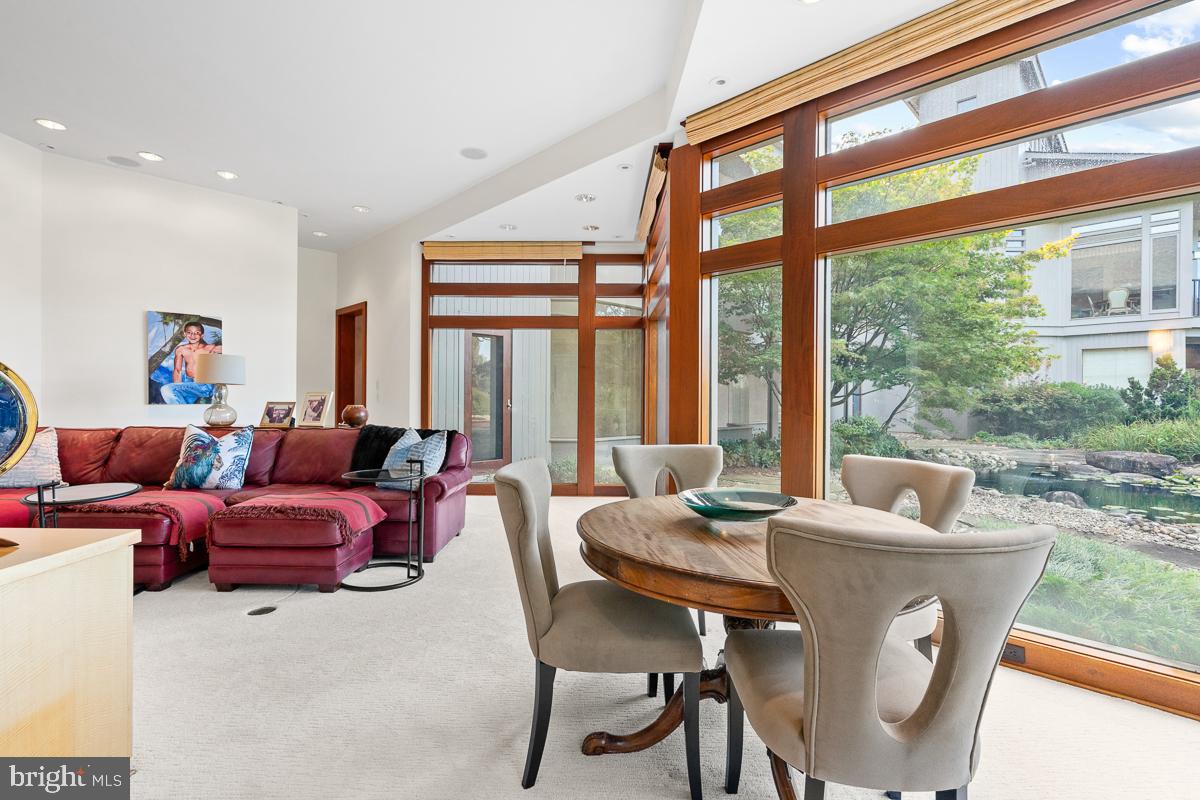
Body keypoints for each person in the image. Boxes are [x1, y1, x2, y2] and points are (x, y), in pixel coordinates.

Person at [159, 321, 222, 404]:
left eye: (197, 333)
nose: (192, 336)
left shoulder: (210, 348)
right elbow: (177, 370)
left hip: (204, 384)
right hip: (188, 382)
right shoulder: (181, 349)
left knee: (166, 389)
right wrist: (177, 387)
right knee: (180, 401)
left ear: (202, 335)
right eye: (189, 333)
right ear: (185, 334)